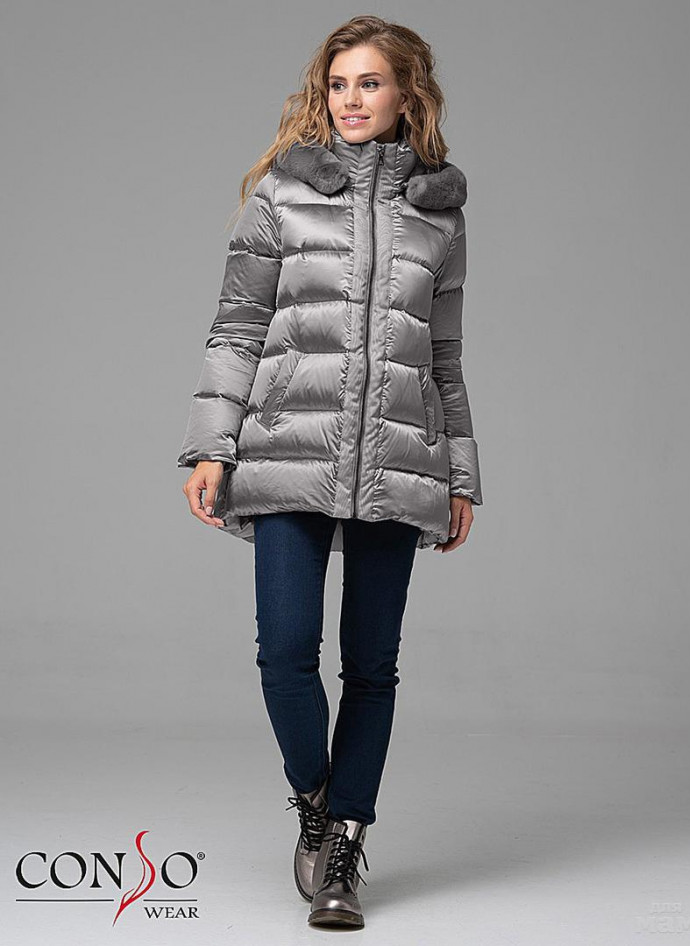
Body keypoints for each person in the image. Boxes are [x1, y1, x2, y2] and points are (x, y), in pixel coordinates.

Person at [177, 14, 483, 930]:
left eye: (370, 83)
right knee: (284, 652)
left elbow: (444, 356)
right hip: (285, 450)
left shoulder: (439, 215)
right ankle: (318, 800)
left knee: (373, 665)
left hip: (401, 456)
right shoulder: (282, 193)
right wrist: (212, 444)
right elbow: (237, 328)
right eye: (339, 84)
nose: (351, 100)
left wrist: (461, 475)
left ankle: (344, 843)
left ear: (406, 95)